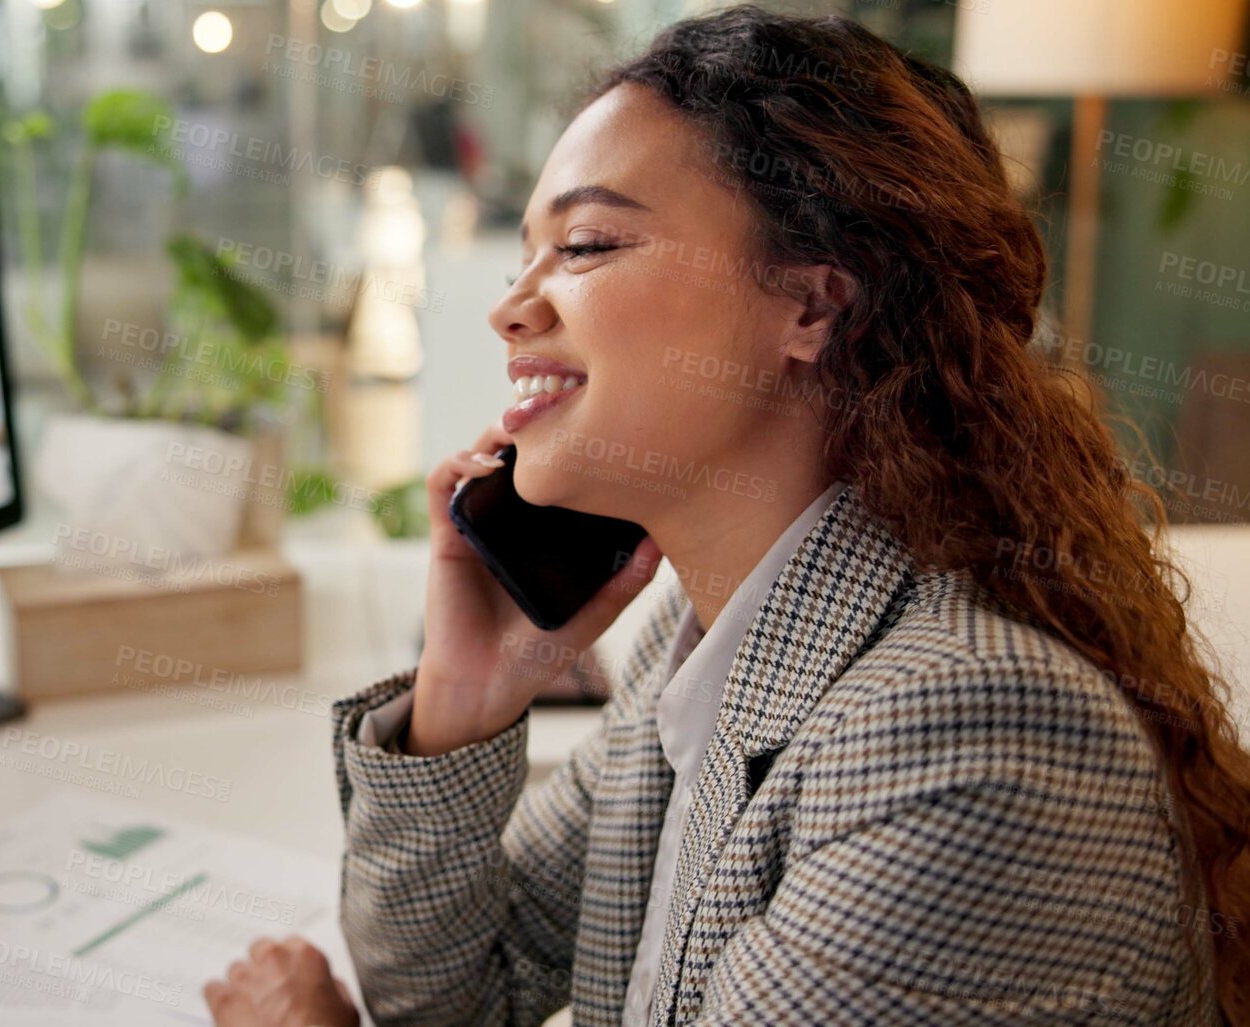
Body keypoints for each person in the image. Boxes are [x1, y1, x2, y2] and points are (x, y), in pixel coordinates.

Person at [202, 6, 1250, 1025]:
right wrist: (460, 705)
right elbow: (464, 993)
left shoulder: (968, 738)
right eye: (528, 249)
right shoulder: (698, 637)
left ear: (811, 305)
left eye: (589, 244)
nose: (511, 304)